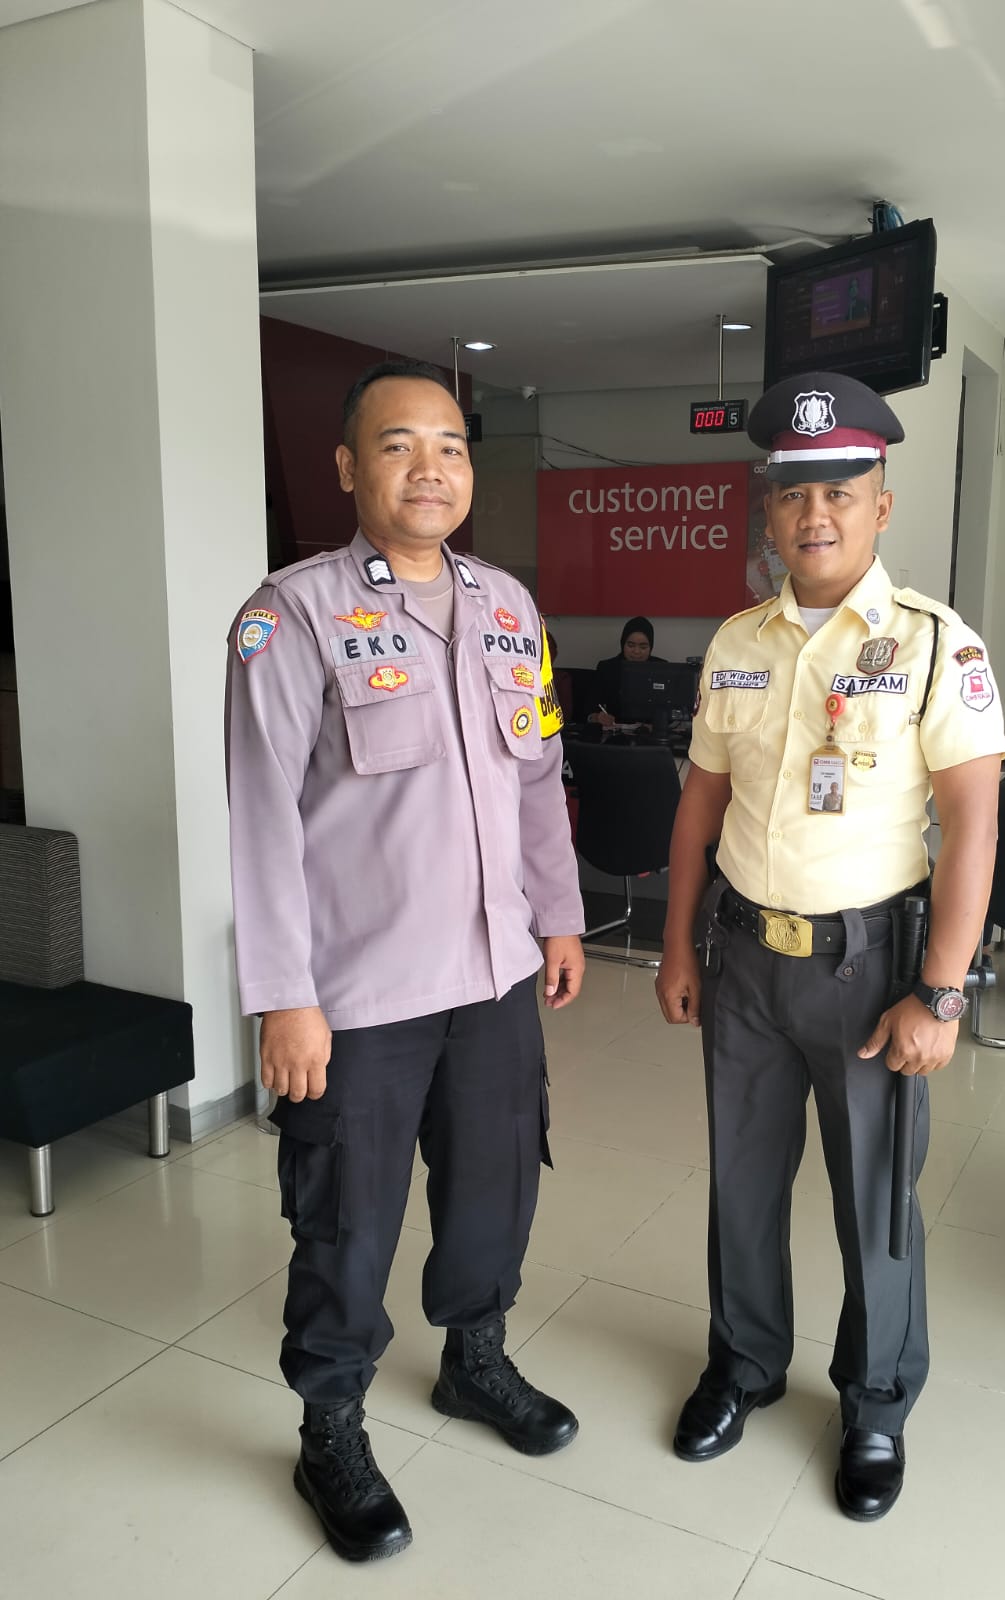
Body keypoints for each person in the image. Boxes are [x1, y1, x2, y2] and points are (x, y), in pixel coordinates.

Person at [225, 359, 586, 1564]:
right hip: (361, 994)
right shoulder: (291, 615)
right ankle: (329, 1425)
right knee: (347, 1217)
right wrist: (284, 994)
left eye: (450, 446)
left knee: (496, 1184)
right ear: (347, 467)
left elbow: (537, 775)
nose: (429, 468)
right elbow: (261, 818)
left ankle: (474, 1359)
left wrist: (559, 916)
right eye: (398, 445)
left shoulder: (507, 605)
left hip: (494, 977)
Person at [654, 370, 1005, 1522]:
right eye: (794, 491)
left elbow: (972, 825)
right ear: (769, 508)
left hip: (870, 972)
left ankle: (875, 1404)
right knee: (742, 1185)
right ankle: (745, 1363)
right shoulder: (736, 641)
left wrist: (940, 993)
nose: (815, 514)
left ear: (879, 505)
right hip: (744, 959)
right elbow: (700, 805)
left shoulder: (933, 644)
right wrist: (678, 946)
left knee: (875, 1203)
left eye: (840, 491)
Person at [589, 615, 662, 727]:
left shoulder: (661, 668)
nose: (636, 651)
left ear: (650, 647)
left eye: (643, 647)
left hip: (650, 734)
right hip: (614, 732)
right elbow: (589, 709)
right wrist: (597, 717)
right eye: (631, 645)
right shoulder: (607, 668)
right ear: (623, 644)